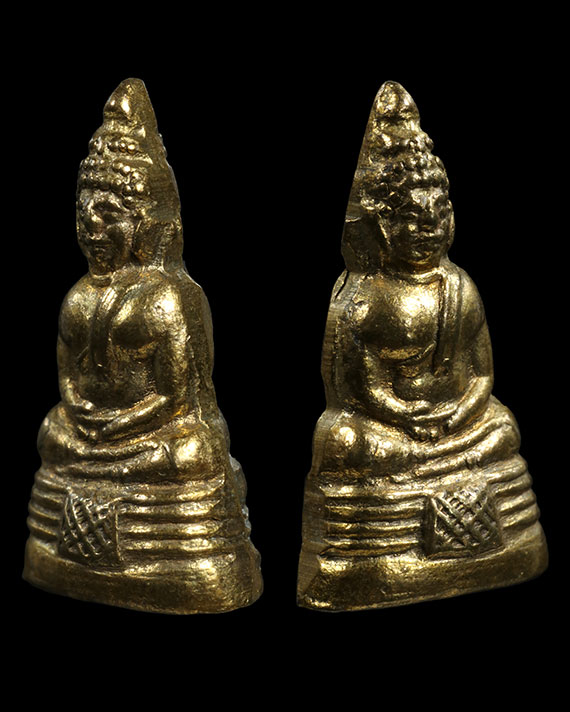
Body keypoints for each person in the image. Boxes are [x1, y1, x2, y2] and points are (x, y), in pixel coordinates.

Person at [298, 81, 547, 610]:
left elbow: (481, 374)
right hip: (389, 428)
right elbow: (355, 392)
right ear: (382, 226)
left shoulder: (460, 288)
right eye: (414, 218)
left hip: (454, 426)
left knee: (502, 426)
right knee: (344, 442)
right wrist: (407, 419)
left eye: (439, 215)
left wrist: (457, 414)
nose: (429, 228)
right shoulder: (365, 299)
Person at [25, 79, 262, 613]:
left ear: (144, 223)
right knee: (51, 432)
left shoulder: (169, 297)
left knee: (193, 451)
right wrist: (86, 419)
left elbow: (178, 399)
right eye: (84, 210)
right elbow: (70, 384)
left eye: (109, 213)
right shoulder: (78, 298)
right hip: (98, 436)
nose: (92, 225)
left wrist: (120, 428)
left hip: (151, 436)